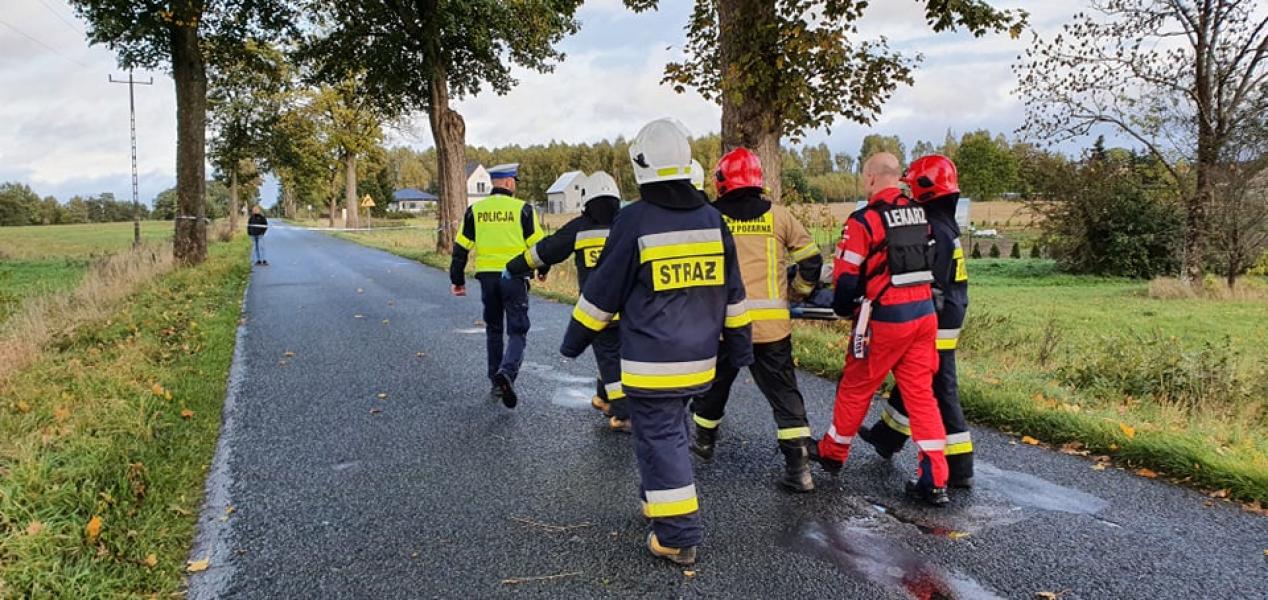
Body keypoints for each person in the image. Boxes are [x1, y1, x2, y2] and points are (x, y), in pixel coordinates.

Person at [561, 118, 752, 566]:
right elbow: (735, 294)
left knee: (660, 438)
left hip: (651, 363)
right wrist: (740, 349)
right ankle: (657, 501)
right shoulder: (712, 219)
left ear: (641, 165)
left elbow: (602, 293)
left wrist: (573, 342)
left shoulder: (634, 221)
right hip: (701, 360)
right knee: (669, 430)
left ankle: (677, 535)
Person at [812, 152, 950, 506]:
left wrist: (843, 309)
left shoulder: (864, 221)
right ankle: (935, 480)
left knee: (857, 385)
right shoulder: (922, 215)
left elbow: (846, 281)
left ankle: (832, 453)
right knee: (921, 395)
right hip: (924, 316)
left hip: (886, 318)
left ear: (872, 177)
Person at [689, 147, 823, 493]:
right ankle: (800, 471)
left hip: (725, 326)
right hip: (772, 329)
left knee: (713, 388)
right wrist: (798, 291)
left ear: (721, 182)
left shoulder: (709, 217)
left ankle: (702, 442)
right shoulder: (780, 217)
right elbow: (811, 260)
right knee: (784, 395)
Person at [857, 155, 974, 487]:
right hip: (947, 309)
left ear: (924, 188)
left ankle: (960, 468)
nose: (906, 193)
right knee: (913, 375)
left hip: (935, 315)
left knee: (939, 388)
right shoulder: (943, 221)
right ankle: (887, 437)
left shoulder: (932, 226)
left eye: (910, 186)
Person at [504, 171, 629, 431]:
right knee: (619, 357)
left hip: (597, 312)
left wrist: (514, 266)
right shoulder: (628, 224)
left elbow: (546, 249)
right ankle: (604, 398)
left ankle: (624, 413)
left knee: (607, 355)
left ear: (587, 199)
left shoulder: (580, 227)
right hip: (631, 310)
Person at [449, 163, 547, 408]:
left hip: (488, 279)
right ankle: (507, 372)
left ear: (494, 183)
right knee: (517, 330)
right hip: (514, 277)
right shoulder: (523, 210)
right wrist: (542, 270)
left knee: (493, 329)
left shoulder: (475, 210)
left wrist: (457, 280)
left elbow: (460, 249)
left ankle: (495, 381)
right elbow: (539, 246)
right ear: (509, 183)